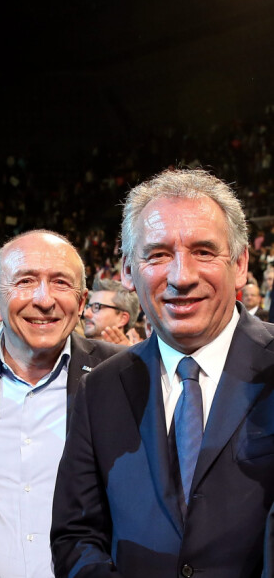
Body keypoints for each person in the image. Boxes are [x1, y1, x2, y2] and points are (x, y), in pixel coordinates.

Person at [51, 168, 274, 578]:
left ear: (240, 264)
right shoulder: (99, 388)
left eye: (204, 251)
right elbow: (76, 535)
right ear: (128, 271)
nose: (181, 276)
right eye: (157, 254)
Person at [0, 229, 123, 578]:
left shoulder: (122, 376)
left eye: (61, 283)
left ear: (81, 303)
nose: (44, 299)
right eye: (25, 280)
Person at [83, 277, 140, 344]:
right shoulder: (73, 351)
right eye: (88, 307)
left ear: (122, 319)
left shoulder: (135, 354)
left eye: (96, 307)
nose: (86, 313)